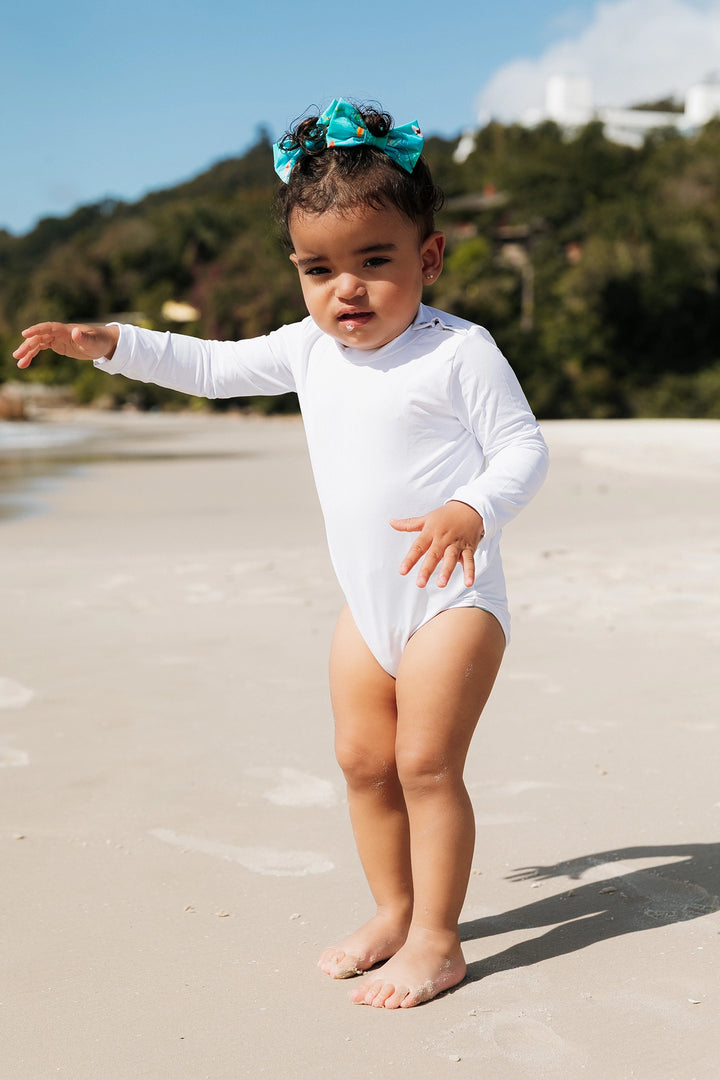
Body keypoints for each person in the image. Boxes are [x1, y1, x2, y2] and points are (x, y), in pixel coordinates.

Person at [14, 98, 549, 1009]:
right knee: (362, 763)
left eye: (374, 261)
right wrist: (109, 344)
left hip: (453, 602)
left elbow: (524, 450)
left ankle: (438, 937)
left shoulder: (458, 351)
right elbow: (212, 367)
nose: (347, 288)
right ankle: (391, 909)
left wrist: (472, 507)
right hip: (366, 610)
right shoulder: (309, 351)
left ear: (428, 256)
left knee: (425, 764)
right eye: (319, 268)